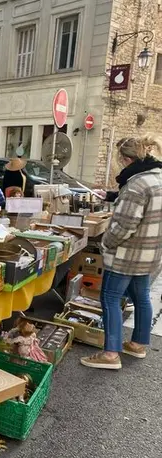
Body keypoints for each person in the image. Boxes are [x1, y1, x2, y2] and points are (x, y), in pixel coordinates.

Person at [81, 135, 162, 370]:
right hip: (150, 253)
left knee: (110, 297)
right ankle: (138, 344)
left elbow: (124, 225)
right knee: (141, 297)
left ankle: (110, 354)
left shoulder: (137, 184)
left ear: (126, 160)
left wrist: (106, 242)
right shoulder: (156, 179)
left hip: (127, 254)